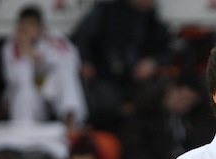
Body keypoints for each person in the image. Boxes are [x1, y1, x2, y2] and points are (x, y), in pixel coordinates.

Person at [70, 0, 173, 132]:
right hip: (103, 78)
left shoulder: (153, 21)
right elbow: (80, 39)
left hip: (138, 81)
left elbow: (167, 52)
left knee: (158, 101)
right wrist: (85, 61)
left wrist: (153, 62)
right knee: (107, 103)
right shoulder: (104, 12)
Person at [1, 5, 87, 130]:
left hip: (52, 90)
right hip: (25, 94)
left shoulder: (54, 38)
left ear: (40, 27)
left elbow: (71, 62)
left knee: (64, 72)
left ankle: (71, 122)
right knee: (26, 92)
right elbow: (17, 80)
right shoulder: (11, 46)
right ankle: (23, 133)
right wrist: (25, 51)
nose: (26, 30)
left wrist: (40, 57)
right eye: (23, 26)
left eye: (30, 25)